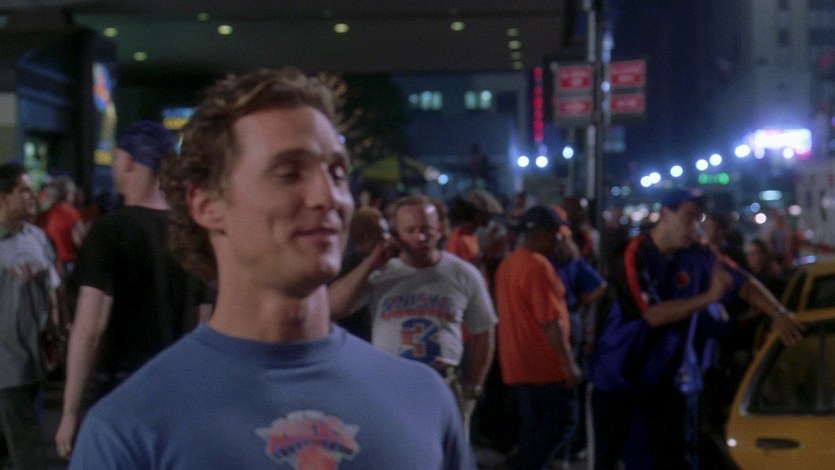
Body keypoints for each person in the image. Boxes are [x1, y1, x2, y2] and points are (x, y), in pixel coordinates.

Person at [67, 68, 473, 468]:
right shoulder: (131, 427)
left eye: (337, 173)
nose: (328, 197)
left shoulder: (424, 399)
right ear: (206, 204)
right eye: (289, 174)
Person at [589, 188, 805, 470]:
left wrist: (779, 312)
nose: (695, 226)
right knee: (609, 461)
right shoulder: (632, 253)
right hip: (619, 378)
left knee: (674, 460)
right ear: (665, 215)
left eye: (699, 219)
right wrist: (709, 297)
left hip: (668, 382)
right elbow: (652, 315)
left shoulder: (700, 254)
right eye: (688, 217)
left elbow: (743, 283)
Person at [55, 121, 211, 459]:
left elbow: (90, 326)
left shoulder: (109, 231)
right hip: (177, 386)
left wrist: (70, 411)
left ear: (127, 162)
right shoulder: (191, 235)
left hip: (119, 388)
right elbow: (203, 321)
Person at [330, 194, 498, 436]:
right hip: (390, 384)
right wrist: (370, 263)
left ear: (439, 229)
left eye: (426, 229)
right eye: (410, 230)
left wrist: (473, 388)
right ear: (396, 233)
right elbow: (333, 307)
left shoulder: (463, 274)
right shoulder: (381, 273)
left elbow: (484, 331)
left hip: (442, 383)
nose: (420, 237)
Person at [493, 205, 583, 470]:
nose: (559, 240)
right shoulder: (538, 266)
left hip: (519, 363)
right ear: (543, 234)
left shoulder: (509, 263)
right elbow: (550, 322)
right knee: (563, 421)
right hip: (545, 365)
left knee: (533, 428)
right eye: (556, 234)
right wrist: (568, 364)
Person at [0, 162, 61, 470]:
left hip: (34, 358)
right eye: (24, 190)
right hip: (6, 361)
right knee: (27, 444)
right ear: (4, 197)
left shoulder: (36, 237)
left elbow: (52, 289)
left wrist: (57, 330)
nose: (32, 196)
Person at [334, 206, 390, 341]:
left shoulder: (342, 264)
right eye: (382, 232)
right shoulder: (347, 268)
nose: (387, 237)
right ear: (367, 235)